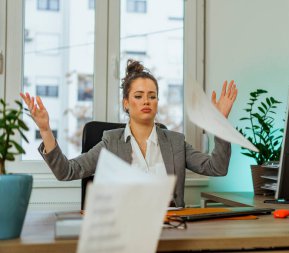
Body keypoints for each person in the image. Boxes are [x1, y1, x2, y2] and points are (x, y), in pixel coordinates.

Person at [20, 59, 238, 207]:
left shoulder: (175, 141)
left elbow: (216, 168)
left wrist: (220, 124)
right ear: (126, 103)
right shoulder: (110, 142)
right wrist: (46, 130)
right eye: (139, 96)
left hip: (171, 229)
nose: (146, 101)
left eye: (152, 96)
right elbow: (66, 171)